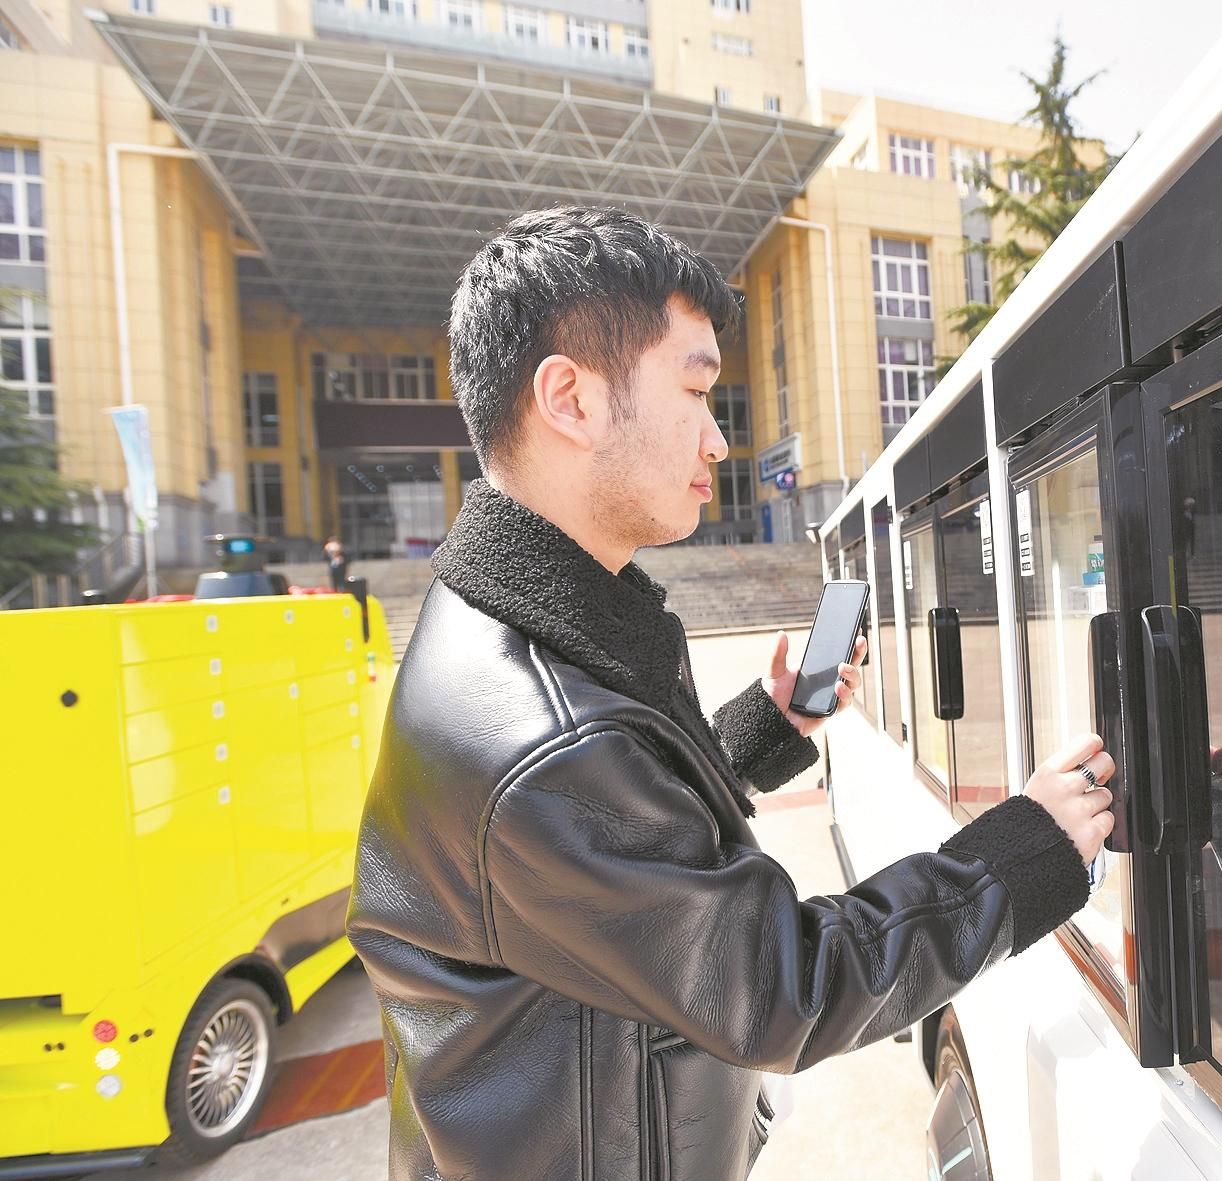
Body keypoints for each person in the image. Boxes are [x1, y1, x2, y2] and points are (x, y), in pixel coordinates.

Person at [346, 207, 1117, 1181]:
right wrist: (1025, 850)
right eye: (696, 389)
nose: (718, 439)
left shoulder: (528, 628)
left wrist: (764, 726)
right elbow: (784, 986)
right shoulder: (540, 740)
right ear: (570, 399)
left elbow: (621, 835)